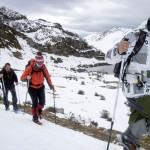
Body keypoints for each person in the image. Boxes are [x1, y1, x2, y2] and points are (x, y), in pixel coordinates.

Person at [106, 18, 150, 150]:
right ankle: (129, 138)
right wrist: (119, 50)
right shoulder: (137, 36)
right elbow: (109, 57)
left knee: (141, 118)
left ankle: (129, 141)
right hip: (135, 89)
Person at [20, 51, 55, 124]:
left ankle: (39, 111)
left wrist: (51, 86)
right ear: (35, 62)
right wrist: (27, 77)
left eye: (41, 63)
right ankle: (35, 116)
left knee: (42, 102)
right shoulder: (30, 68)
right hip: (31, 87)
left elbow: (47, 77)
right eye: (39, 64)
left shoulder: (43, 67)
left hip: (40, 86)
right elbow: (21, 78)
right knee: (35, 102)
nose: (40, 65)